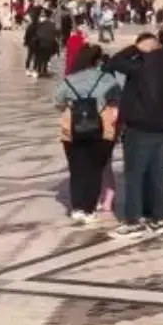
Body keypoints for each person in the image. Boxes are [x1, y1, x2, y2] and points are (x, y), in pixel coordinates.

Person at [104, 32, 163, 239]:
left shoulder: (140, 66)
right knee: (159, 173)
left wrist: (134, 49)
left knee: (134, 174)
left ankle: (134, 221)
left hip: (141, 127)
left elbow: (113, 63)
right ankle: (158, 218)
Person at [54, 44, 121, 225]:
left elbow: (58, 101)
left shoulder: (69, 79)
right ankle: (89, 208)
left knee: (77, 169)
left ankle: (77, 208)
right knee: (95, 170)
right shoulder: (107, 79)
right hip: (100, 129)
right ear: (97, 61)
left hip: (73, 129)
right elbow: (117, 98)